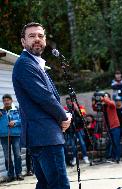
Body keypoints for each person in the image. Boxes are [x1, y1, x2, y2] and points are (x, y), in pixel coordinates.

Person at [12, 22, 71, 188]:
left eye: (40, 36)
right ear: (23, 42)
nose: (37, 39)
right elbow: (44, 97)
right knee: (59, 185)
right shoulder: (25, 64)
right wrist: (64, 116)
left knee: (45, 185)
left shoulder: (35, 63)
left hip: (41, 136)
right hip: (45, 136)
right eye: (32, 36)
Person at [0, 94, 23, 182]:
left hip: (16, 135)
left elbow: (23, 120)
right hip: (4, 136)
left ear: (11, 101)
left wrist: (15, 122)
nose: (6, 102)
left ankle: (19, 174)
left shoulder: (16, 110)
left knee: (17, 155)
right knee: (7, 157)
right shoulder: (1, 111)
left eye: (8, 100)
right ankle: (10, 175)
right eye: (4, 100)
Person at [64, 97, 90, 165]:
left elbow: (83, 115)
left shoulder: (79, 107)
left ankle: (85, 157)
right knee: (73, 145)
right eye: (67, 102)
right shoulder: (65, 109)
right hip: (71, 130)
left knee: (82, 143)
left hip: (79, 129)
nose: (69, 103)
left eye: (70, 102)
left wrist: (76, 108)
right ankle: (74, 158)